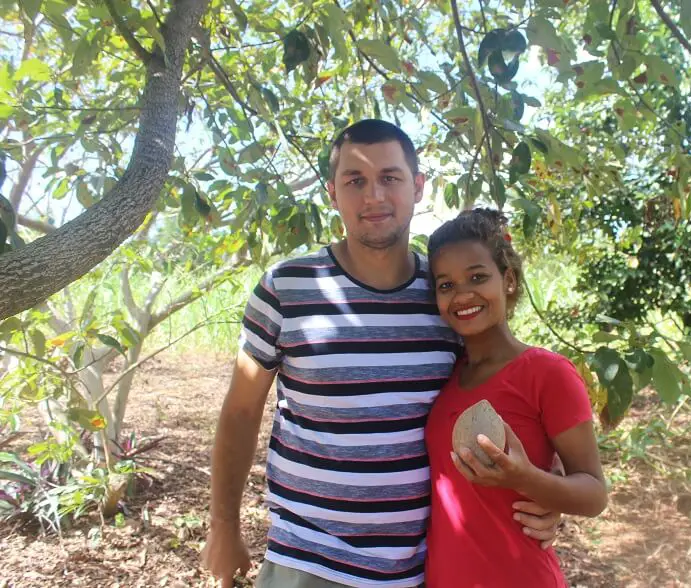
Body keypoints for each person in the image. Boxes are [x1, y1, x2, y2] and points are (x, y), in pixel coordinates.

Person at [201, 119, 561, 588]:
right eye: (355, 181)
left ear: (417, 186)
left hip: (420, 566)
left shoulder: (449, 296)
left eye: (390, 178)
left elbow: (502, 388)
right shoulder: (287, 288)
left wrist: (546, 491)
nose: (374, 197)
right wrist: (224, 526)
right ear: (333, 192)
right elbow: (241, 412)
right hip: (308, 559)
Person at [423, 208, 608, 587]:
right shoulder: (447, 375)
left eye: (477, 277)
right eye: (446, 285)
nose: (462, 295)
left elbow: (593, 493)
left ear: (507, 280)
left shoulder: (548, 373)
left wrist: (528, 479)